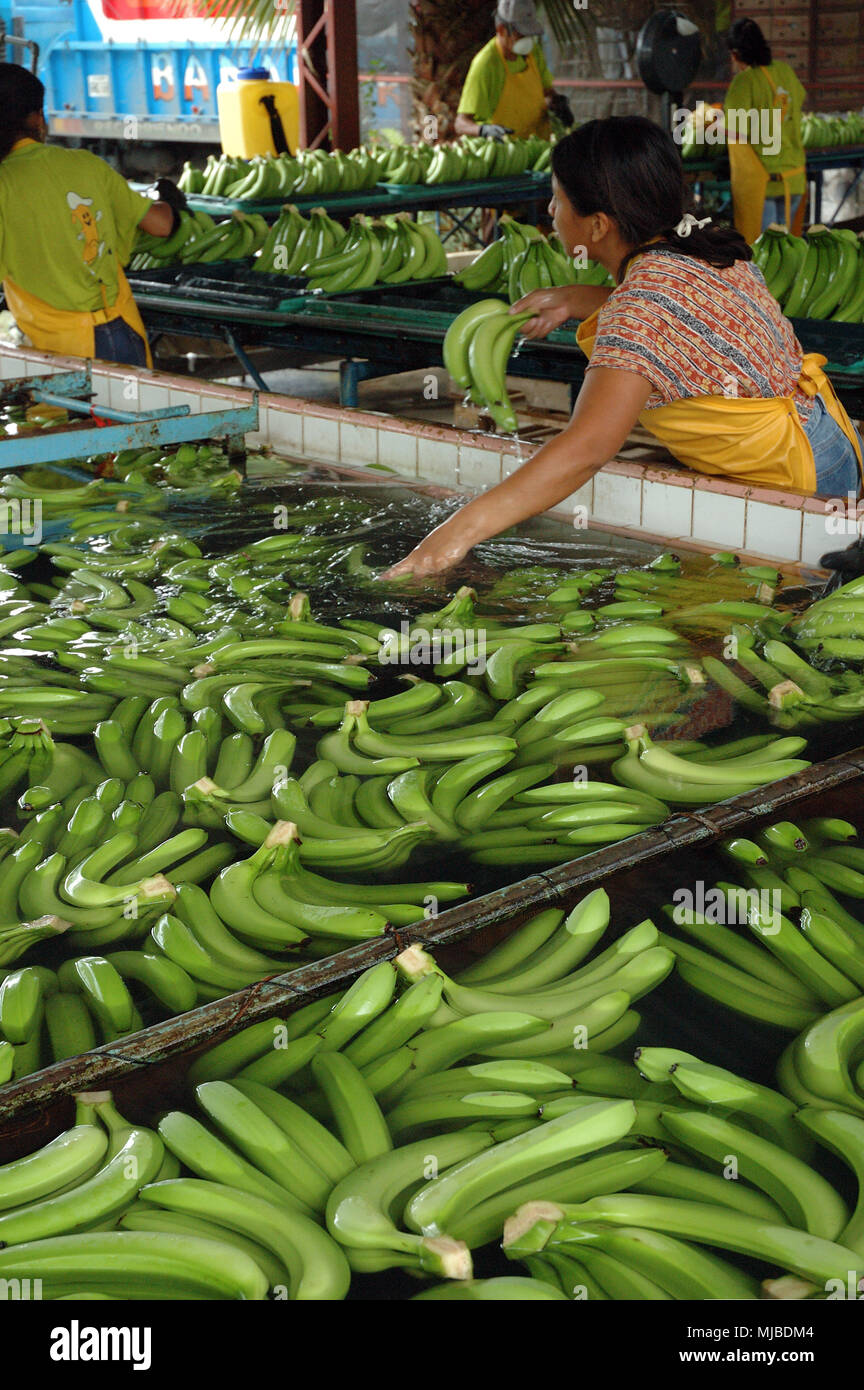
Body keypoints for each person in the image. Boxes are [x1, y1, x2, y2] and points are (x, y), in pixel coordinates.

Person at [383, 117, 862, 580]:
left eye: (558, 199)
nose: (550, 212)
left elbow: (586, 448)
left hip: (795, 482)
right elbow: (677, 320)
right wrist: (574, 299)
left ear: (597, 226)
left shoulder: (639, 309)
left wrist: (453, 535)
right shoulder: (701, 249)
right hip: (830, 445)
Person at [0, 63, 180, 366]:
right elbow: (161, 225)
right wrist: (171, 204)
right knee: (138, 414)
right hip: (124, 335)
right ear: (35, 117)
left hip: (57, 354)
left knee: (71, 417)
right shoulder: (86, 164)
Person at [724, 17, 807, 239]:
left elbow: (733, 130)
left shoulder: (745, 82)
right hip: (794, 177)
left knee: (764, 259)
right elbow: (796, 103)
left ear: (735, 54)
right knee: (788, 255)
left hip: (764, 187)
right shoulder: (786, 72)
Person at [455, 0, 573, 143]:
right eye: (521, 34)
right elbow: (461, 124)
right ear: (501, 30)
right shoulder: (486, 63)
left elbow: (547, 93)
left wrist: (558, 103)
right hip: (507, 152)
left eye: (529, 34)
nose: (526, 40)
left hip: (538, 145)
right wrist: (483, 130)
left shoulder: (533, 52)